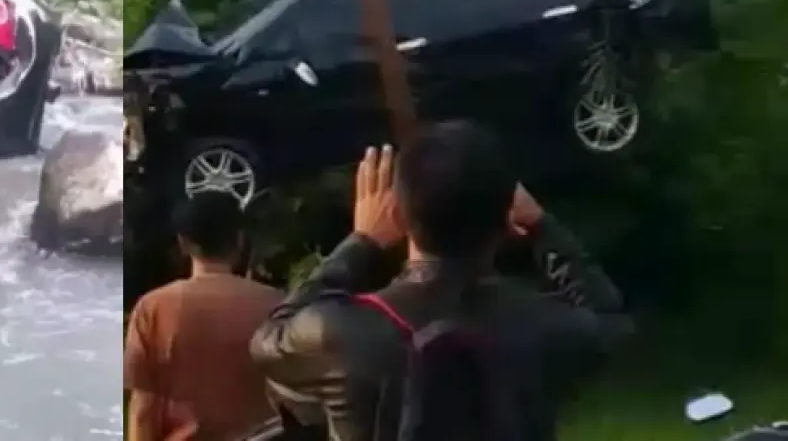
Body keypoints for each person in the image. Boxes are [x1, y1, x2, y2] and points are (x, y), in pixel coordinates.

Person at [249, 120, 634, 441]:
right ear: (506, 219)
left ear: (398, 213)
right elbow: (609, 320)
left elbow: (269, 337)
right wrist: (542, 227)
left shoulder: (339, 333)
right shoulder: (543, 325)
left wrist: (362, 241)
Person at [125, 190, 286, 440]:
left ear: (183, 243)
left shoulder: (154, 308)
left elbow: (144, 411)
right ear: (240, 240)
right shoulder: (278, 305)